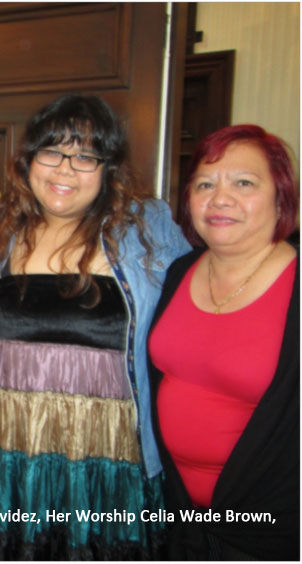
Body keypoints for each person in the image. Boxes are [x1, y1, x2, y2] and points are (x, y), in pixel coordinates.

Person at [0, 94, 192, 559]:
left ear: (107, 169)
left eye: (85, 156)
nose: (65, 170)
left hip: (104, 453)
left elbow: (203, 298)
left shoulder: (147, 229)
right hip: (10, 448)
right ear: (29, 160)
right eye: (52, 152)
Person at [148, 125, 299, 560]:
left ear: (281, 198)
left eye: (244, 183)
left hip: (273, 527)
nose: (219, 199)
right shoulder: (180, 271)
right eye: (204, 185)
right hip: (179, 517)